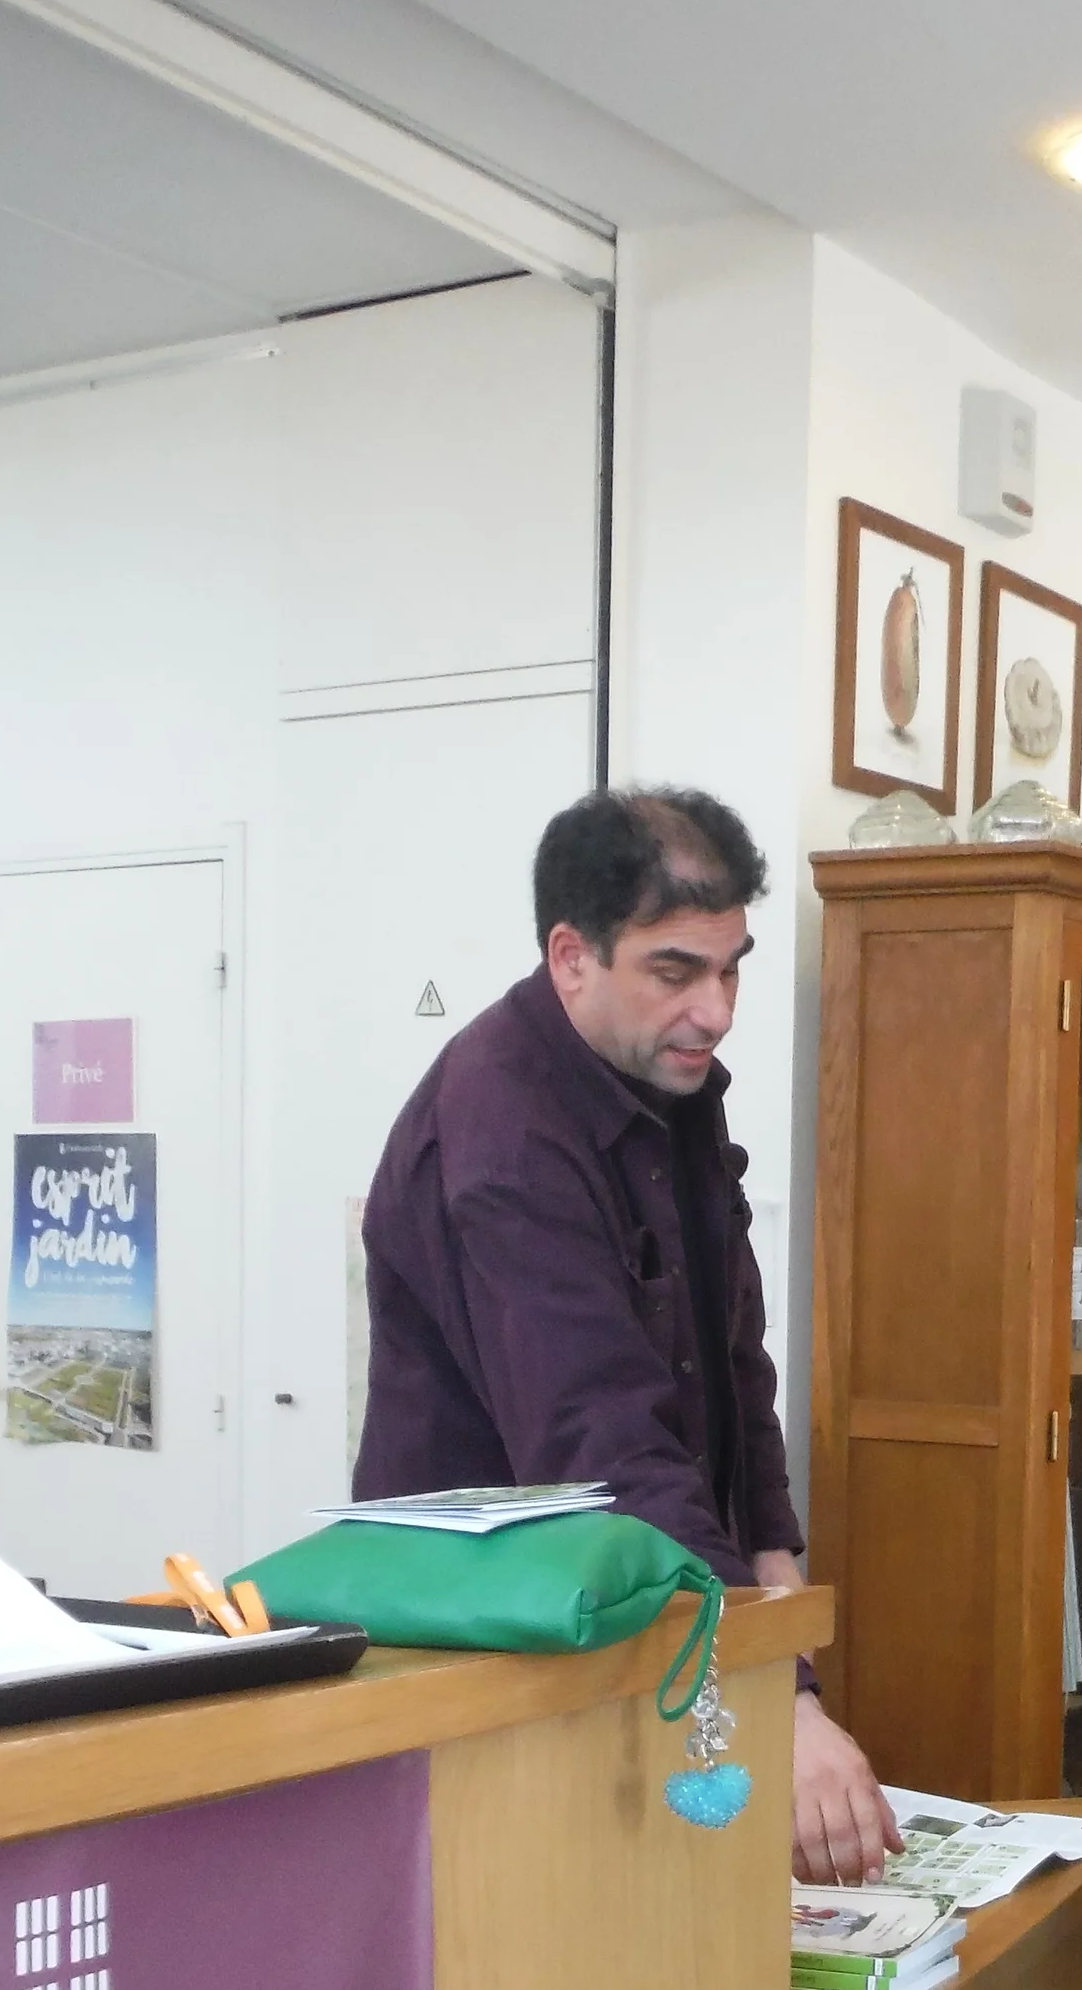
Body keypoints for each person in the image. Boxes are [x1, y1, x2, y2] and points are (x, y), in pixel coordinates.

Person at [357, 784, 900, 1887]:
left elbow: (729, 1359)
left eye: (732, 966)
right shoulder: (504, 1131)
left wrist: (776, 1579)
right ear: (572, 957)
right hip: (491, 1643)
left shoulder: (665, 1073)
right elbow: (602, 1439)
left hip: (634, 1608)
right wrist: (768, 1691)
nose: (717, 1009)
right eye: (675, 971)